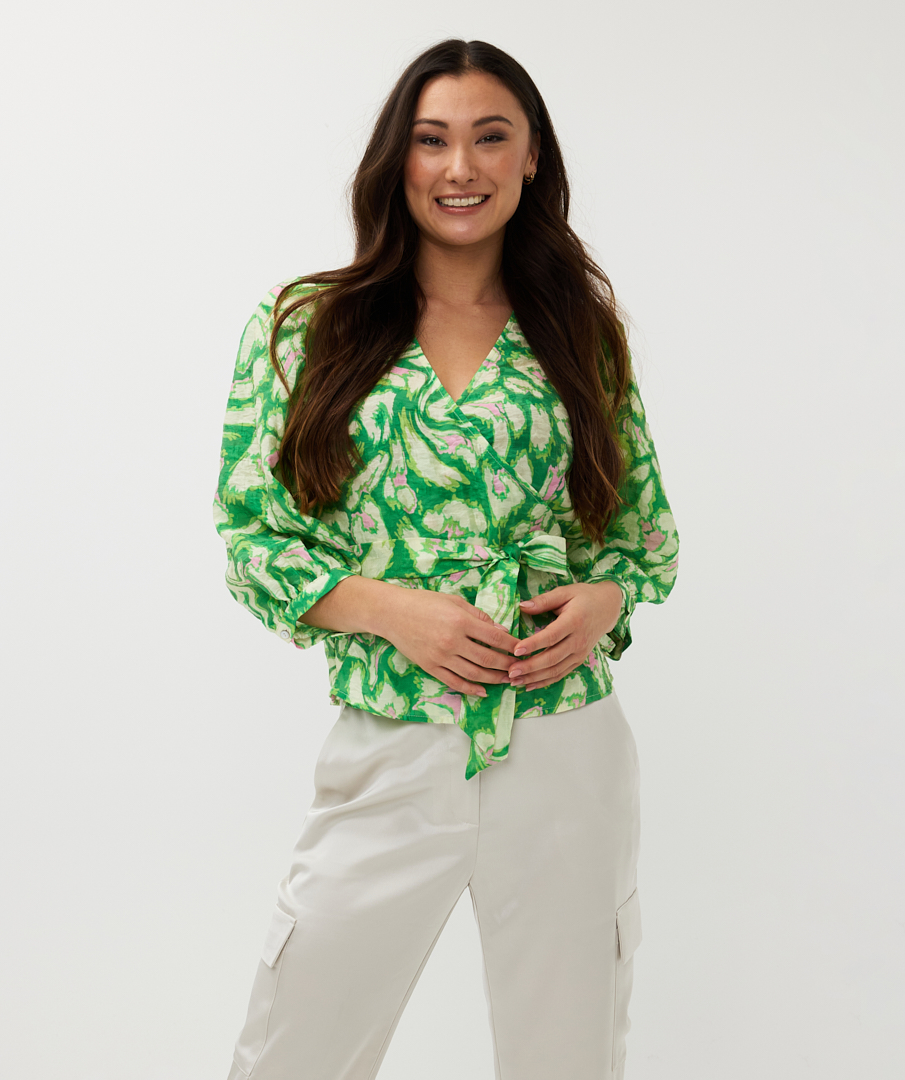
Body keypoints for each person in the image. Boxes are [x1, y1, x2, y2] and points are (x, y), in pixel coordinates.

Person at [213, 38, 678, 1080]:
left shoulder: (582, 333)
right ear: (399, 159)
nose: (459, 167)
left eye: (488, 138)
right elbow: (251, 535)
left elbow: (638, 531)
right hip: (393, 739)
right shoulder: (305, 327)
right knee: (295, 1046)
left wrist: (605, 599)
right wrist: (392, 611)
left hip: (564, 745)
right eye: (431, 140)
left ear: (529, 158)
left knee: (567, 1055)